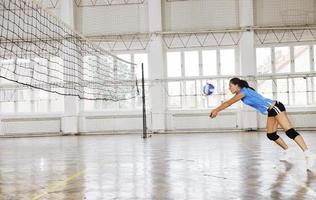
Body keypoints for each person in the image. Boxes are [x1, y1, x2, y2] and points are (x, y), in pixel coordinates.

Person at [210, 77, 315, 171]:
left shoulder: (243, 92)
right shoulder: (243, 93)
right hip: (271, 111)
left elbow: (229, 103)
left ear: (237, 85)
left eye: (230, 86)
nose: (229, 88)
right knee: (271, 135)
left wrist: (216, 110)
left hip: (275, 107)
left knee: (289, 131)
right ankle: (288, 151)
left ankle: (309, 154)